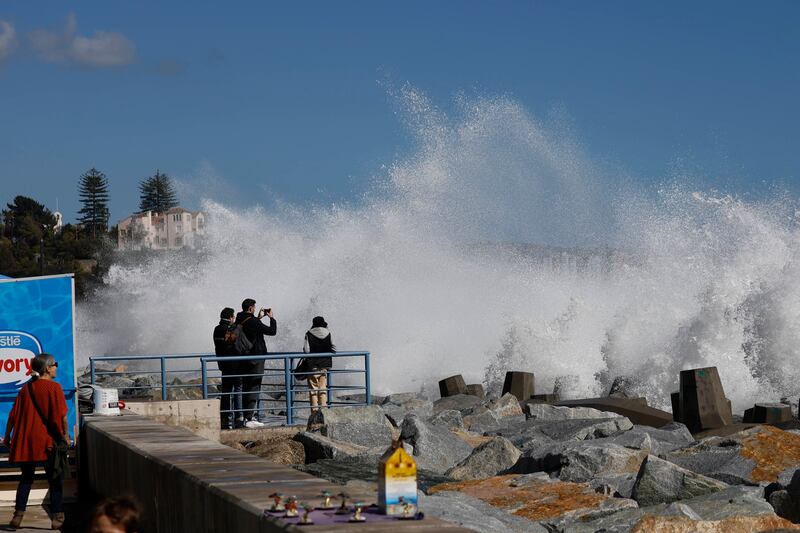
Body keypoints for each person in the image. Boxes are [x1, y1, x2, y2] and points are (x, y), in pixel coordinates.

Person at [4, 353, 68, 530]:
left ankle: (18, 516)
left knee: (26, 479)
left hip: (27, 442)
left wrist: (8, 436)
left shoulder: (26, 389)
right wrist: (66, 436)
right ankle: (56, 518)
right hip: (47, 441)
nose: (56, 367)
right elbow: (62, 416)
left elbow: (13, 416)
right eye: (55, 364)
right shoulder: (54, 387)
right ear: (47, 368)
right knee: (55, 479)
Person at [235, 298, 276, 428]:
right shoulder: (252, 321)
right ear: (251, 308)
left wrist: (258, 318)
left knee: (246, 386)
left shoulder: (239, 319)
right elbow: (272, 331)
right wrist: (272, 318)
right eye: (254, 307)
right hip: (255, 358)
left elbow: (251, 329)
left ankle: (244, 417)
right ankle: (249, 418)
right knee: (254, 386)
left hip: (244, 358)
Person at [213, 307, 244, 430]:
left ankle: (224, 417)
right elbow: (232, 343)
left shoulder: (216, 329)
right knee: (238, 389)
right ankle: (239, 417)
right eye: (234, 317)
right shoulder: (229, 329)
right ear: (231, 317)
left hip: (223, 364)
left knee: (226, 391)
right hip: (234, 365)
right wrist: (237, 327)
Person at [303, 316, 336, 410]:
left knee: (313, 390)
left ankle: (314, 412)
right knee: (322, 389)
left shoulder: (308, 333)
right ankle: (324, 411)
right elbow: (334, 348)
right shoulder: (328, 333)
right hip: (325, 364)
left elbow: (306, 350)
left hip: (313, 365)